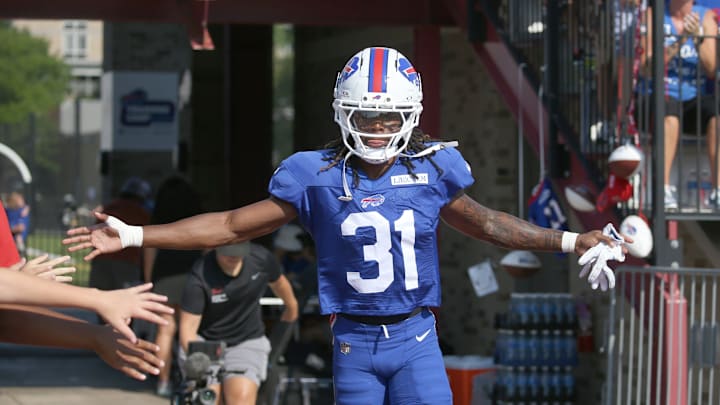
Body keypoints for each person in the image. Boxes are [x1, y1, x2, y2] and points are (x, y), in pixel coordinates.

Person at [64, 46, 625, 404]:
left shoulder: (431, 168)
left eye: (389, 117)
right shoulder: (314, 176)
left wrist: (574, 238)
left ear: (410, 116)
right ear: (343, 114)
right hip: (353, 340)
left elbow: (489, 225)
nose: (378, 130)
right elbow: (232, 225)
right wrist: (137, 234)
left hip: (417, 337)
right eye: (366, 117)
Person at [178, 242, 298, 405]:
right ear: (216, 248)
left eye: (238, 252)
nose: (233, 256)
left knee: (241, 397)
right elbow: (187, 329)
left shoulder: (261, 258)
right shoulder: (200, 275)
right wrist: (198, 364)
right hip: (205, 342)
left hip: (246, 340)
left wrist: (291, 306)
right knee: (208, 398)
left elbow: (279, 282)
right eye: (227, 252)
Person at [639, 0, 718, 210]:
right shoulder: (653, 14)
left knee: (716, 115)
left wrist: (698, 39)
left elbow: (711, 68)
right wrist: (681, 41)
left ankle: (717, 191)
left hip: (694, 98)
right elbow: (647, 67)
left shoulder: (705, 16)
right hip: (659, 95)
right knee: (670, 114)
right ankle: (663, 190)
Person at [144, 175, 205, 397]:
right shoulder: (197, 218)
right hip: (192, 272)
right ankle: (195, 380)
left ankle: (162, 381)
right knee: (190, 329)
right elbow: (208, 246)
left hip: (164, 275)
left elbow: (149, 248)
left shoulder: (158, 219)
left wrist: (150, 280)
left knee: (165, 329)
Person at [89, 176, 152, 292]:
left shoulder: (108, 208)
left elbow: (96, 234)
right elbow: (147, 243)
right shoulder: (142, 213)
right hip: (127, 262)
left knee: (98, 299)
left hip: (101, 260)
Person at [5, 191, 30, 255]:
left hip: (19, 237)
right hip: (12, 237)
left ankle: (21, 249)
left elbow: (22, 226)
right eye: (20, 200)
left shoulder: (22, 210)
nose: (22, 201)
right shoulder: (8, 211)